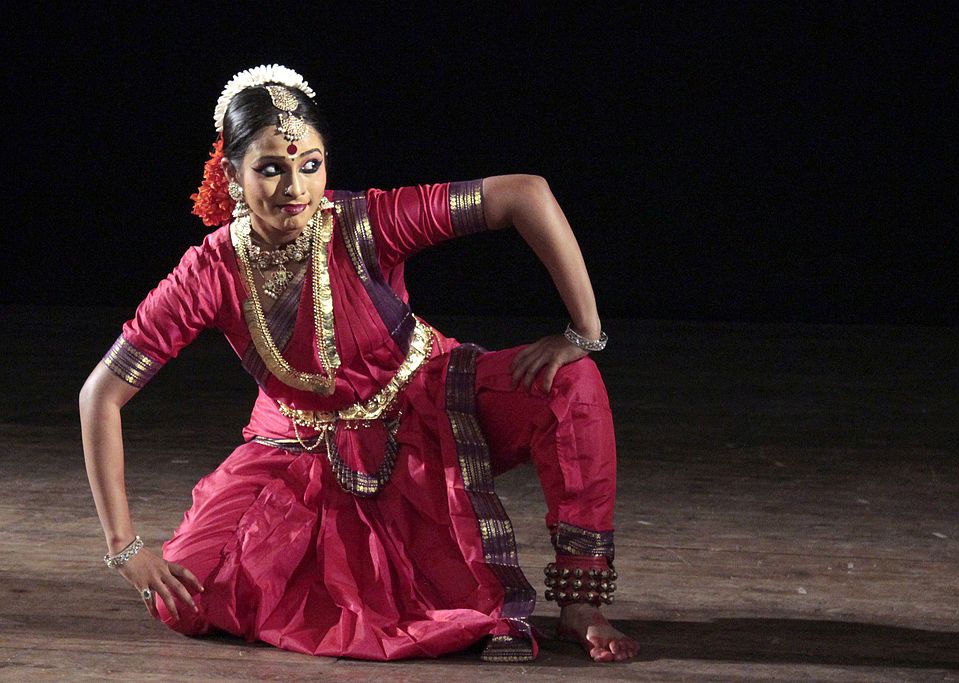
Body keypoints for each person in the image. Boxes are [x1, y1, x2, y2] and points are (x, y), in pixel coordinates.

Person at [79, 64, 639, 664]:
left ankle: (580, 602)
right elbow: (100, 396)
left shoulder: (363, 225)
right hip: (301, 442)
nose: (296, 187)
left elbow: (524, 193)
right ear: (231, 177)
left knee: (569, 381)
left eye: (310, 165)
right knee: (186, 597)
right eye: (271, 169)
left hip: (426, 407)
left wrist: (584, 330)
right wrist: (124, 546)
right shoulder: (209, 271)